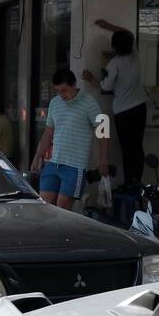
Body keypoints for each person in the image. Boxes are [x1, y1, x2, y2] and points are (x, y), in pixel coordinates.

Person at [30, 69, 108, 210]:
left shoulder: (89, 103)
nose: (61, 95)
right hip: (53, 163)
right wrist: (37, 155)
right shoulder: (55, 103)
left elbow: (103, 132)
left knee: (62, 210)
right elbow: (48, 133)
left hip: (74, 166)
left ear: (74, 85)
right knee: (44, 207)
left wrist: (103, 160)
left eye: (64, 90)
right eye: (58, 91)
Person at [83, 20, 148, 186]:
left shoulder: (114, 64)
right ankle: (136, 181)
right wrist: (108, 26)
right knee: (137, 147)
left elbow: (105, 87)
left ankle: (129, 183)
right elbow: (129, 33)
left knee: (127, 149)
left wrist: (91, 78)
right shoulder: (135, 56)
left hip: (124, 111)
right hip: (140, 107)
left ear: (114, 47)